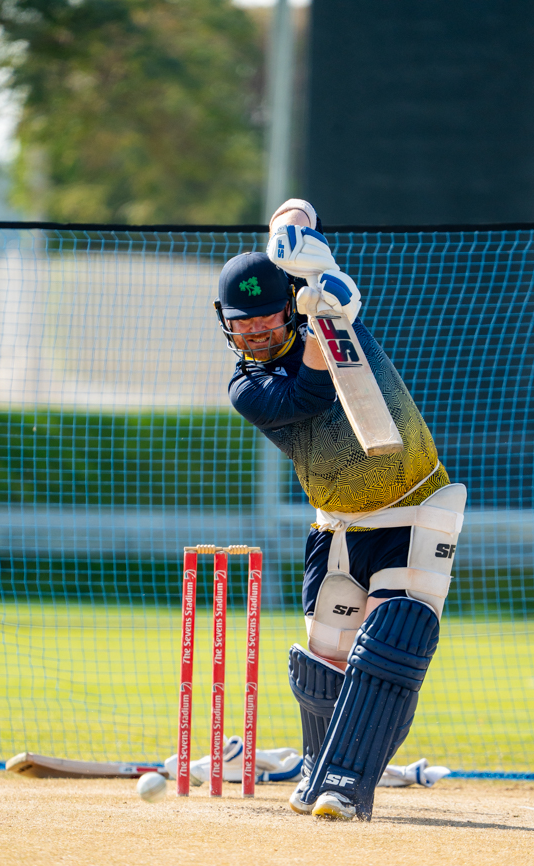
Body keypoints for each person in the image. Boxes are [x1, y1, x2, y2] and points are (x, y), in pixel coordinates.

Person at [215, 199, 466, 820]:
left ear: (288, 314)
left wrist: (295, 243)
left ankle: (348, 785)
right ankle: (317, 772)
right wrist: (325, 312)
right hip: (337, 525)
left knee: (393, 634)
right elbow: (309, 390)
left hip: (413, 507)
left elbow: (295, 206)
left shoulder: (338, 321)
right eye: (243, 330)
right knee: (323, 659)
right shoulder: (249, 388)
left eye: (268, 325)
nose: (256, 338)